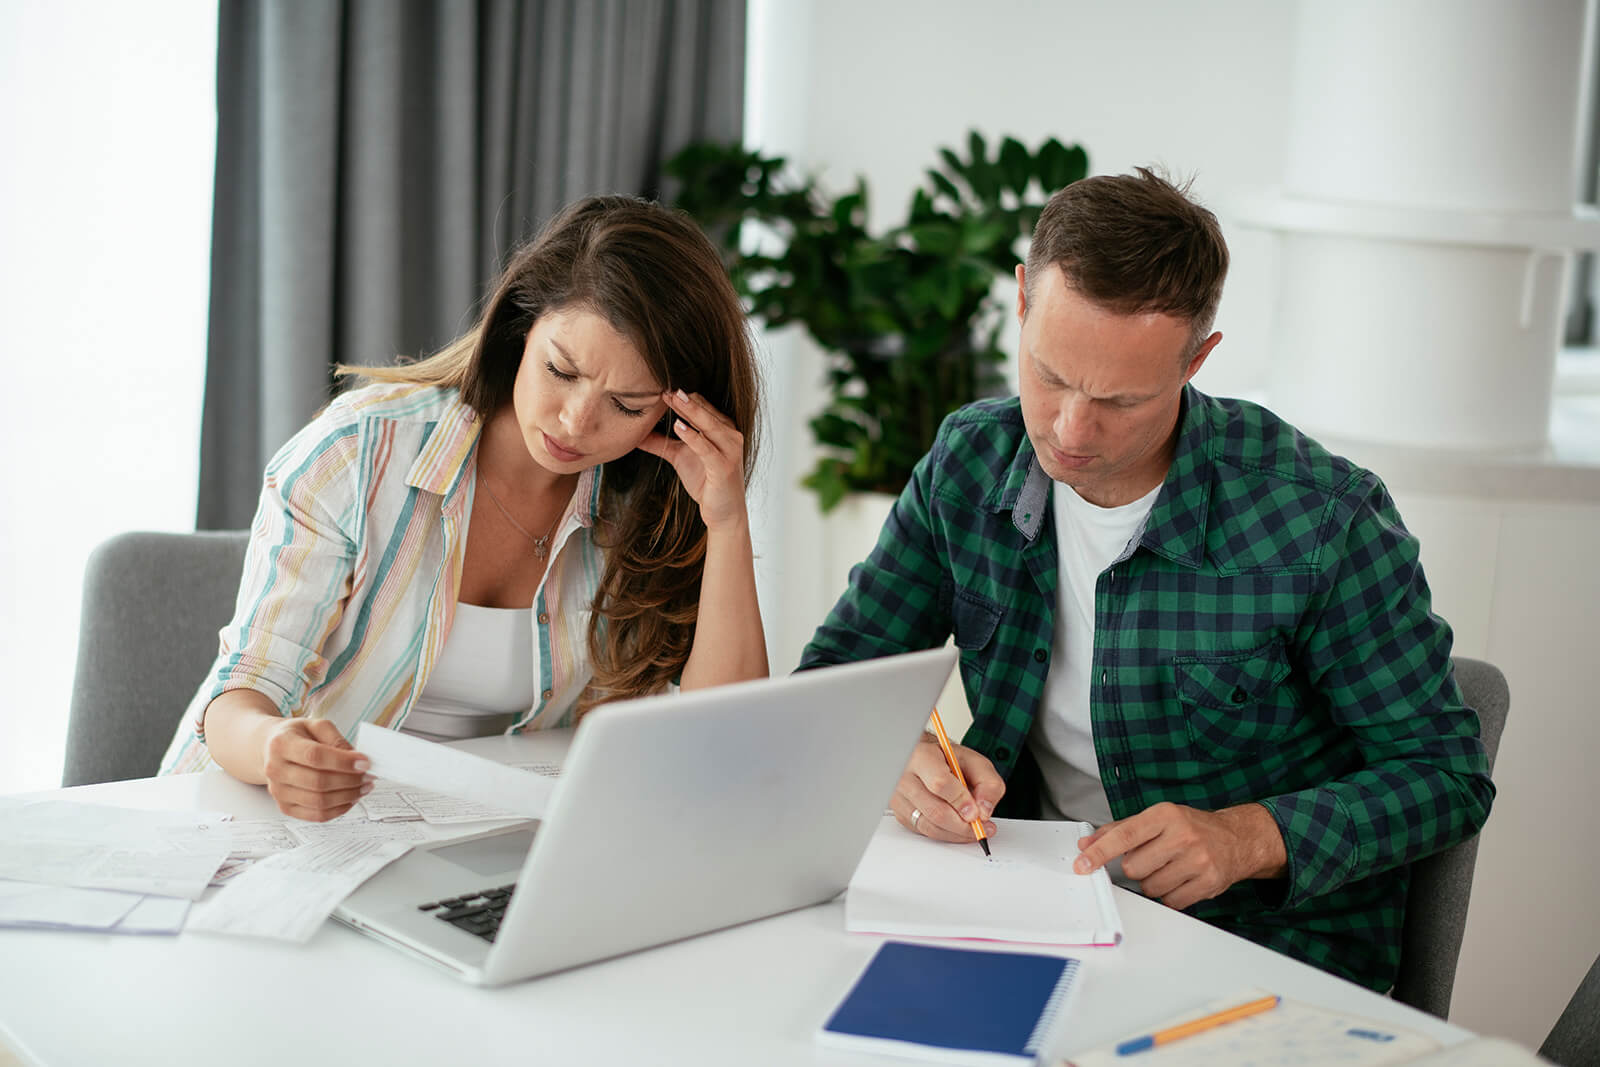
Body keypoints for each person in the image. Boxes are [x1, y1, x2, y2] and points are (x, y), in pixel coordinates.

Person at [799, 168, 1494, 992]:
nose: (1068, 429)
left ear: (1198, 359)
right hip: (1025, 910)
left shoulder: (1322, 519)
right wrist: (903, 755)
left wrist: (1248, 836)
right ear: (1022, 301)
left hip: (1260, 952)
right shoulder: (968, 463)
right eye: (1050, 374)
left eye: (1120, 400)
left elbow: (1445, 775)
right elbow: (834, 682)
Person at [161, 195, 767, 822]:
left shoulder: (639, 508)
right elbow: (241, 694)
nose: (575, 422)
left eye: (627, 406)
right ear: (520, 328)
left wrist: (725, 520)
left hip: (469, 839)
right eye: (560, 370)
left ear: (676, 412)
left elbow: (722, 742)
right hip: (260, 824)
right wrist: (273, 748)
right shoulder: (358, 454)